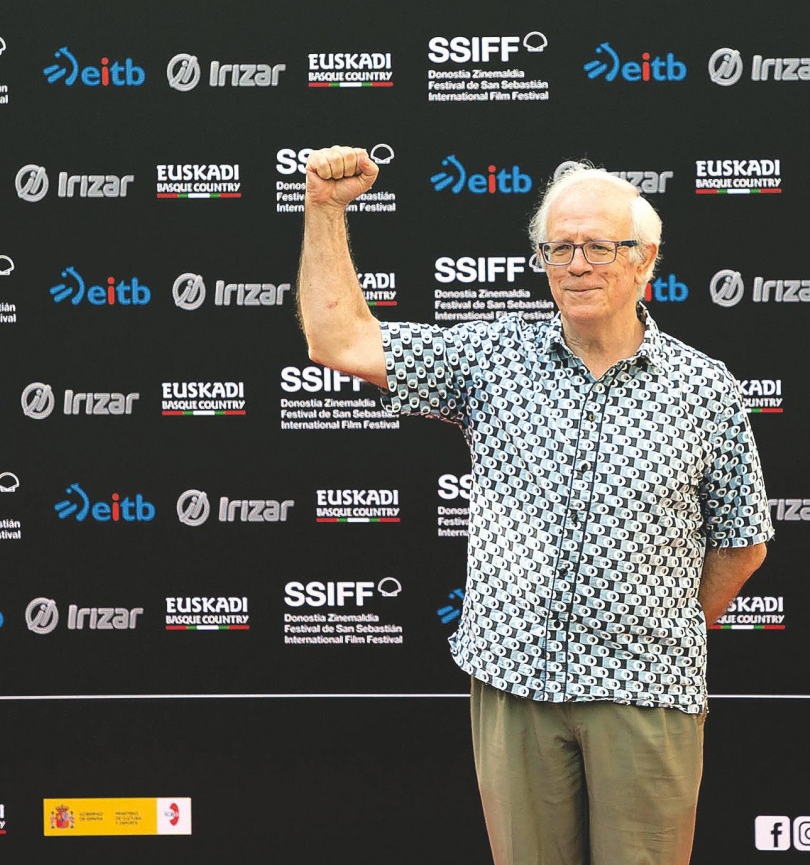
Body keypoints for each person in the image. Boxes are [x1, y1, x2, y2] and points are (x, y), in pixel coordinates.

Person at [298, 145, 773, 865]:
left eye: (599, 247)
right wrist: (325, 209)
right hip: (513, 685)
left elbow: (742, 543)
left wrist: (659, 624)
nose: (577, 265)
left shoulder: (705, 390)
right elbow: (339, 339)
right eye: (559, 249)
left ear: (644, 261)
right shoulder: (492, 360)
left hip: (646, 692)